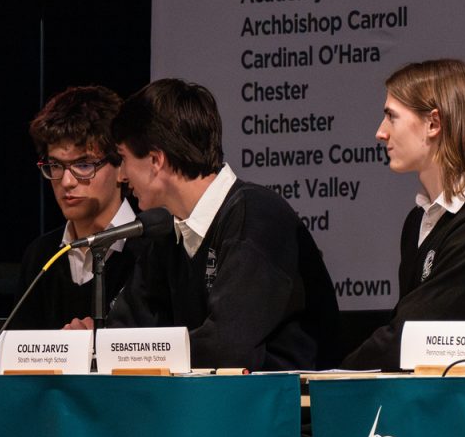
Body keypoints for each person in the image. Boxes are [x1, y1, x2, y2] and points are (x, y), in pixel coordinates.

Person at [104, 78, 341, 371]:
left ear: (155, 160)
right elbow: (123, 334)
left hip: (287, 410)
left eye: (124, 159)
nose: (121, 176)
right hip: (209, 405)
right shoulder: (168, 229)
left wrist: (142, 352)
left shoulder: (256, 215)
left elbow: (227, 347)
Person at [341, 59, 465, 370]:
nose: (380, 133)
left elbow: (409, 336)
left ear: (433, 124)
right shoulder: (419, 220)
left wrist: (333, 378)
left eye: (391, 117)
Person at [0, 86, 144, 369]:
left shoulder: (151, 247)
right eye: (55, 166)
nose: (66, 182)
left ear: (122, 168)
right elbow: (21, 357)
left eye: (84, 165)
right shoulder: (41, 254)